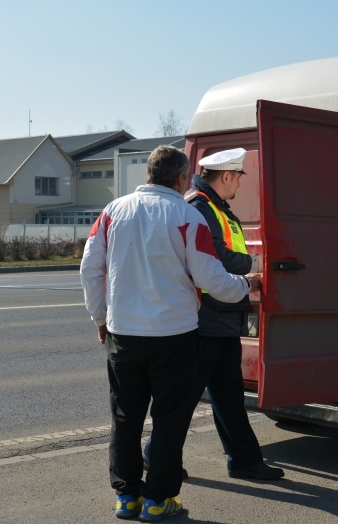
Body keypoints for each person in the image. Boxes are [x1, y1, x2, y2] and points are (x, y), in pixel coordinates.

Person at [80, 145, 262, 521]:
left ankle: (126, 497)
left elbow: (89, 269)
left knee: (125, 418)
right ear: (181, 179)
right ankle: (158, 499)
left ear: (148, 174)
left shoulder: (112, 212)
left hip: (123, 334)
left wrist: (100, 318)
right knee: (169, 419)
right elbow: (210, 279)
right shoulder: (186, 215)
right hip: (174, 335)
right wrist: (247, 285)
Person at [143, 148, 284, 481]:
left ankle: (244, 459)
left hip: (219, 317)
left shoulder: (216, 208)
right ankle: (155, 454)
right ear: (226, 176)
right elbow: (217, 257)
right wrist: (257, 267)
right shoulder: (199, 208)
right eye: (237, 177)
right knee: (187, 395)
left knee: (228, 394)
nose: (239, 184)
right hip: (204, 319)